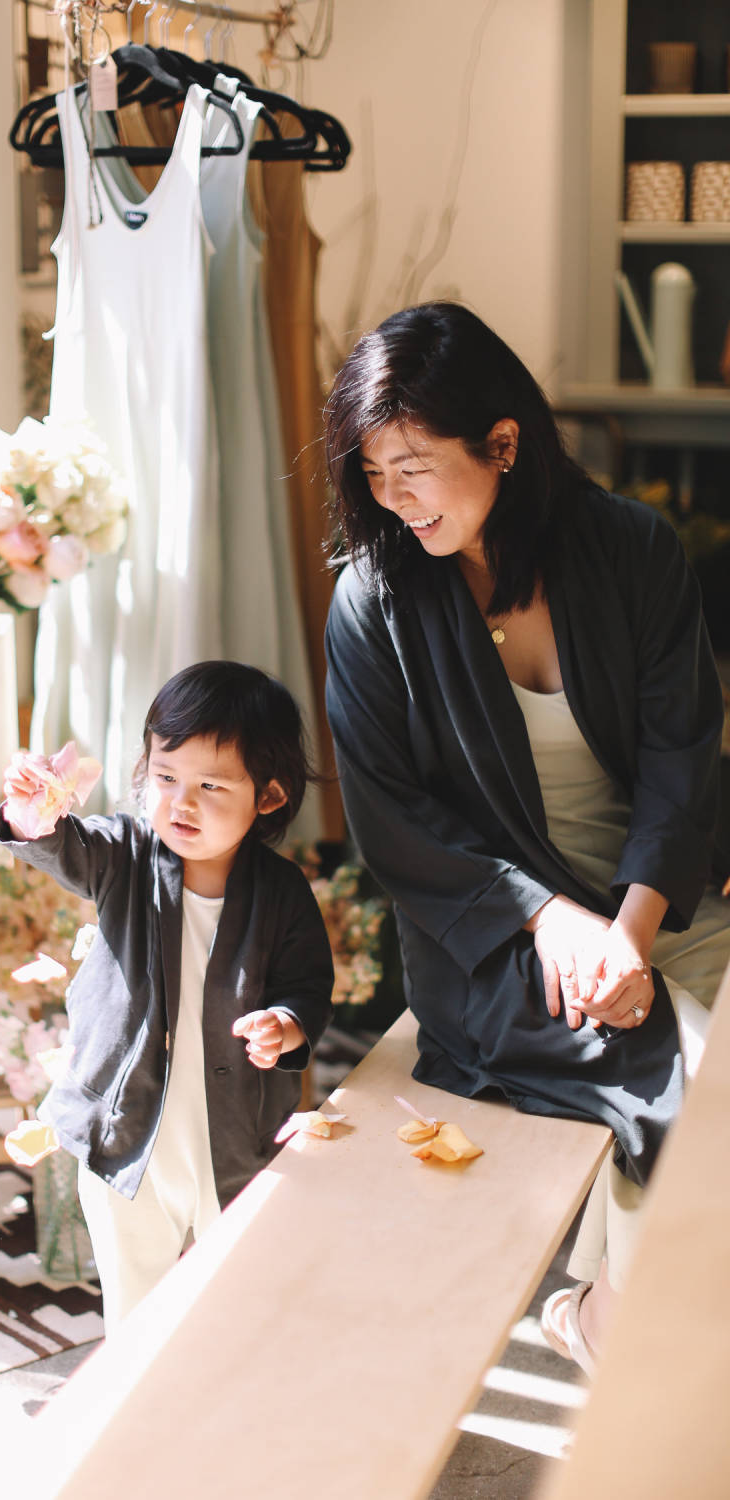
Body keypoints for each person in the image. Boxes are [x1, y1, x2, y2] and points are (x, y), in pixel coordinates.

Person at [322, 301, 729, 1374]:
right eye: (373, 473)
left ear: (501, 445)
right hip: (497, 943)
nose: (391, 497)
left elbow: (684, 761)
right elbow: (393, 824)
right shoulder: (374, 602)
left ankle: (608, 1317)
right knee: (692, 1077)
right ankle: (639, 1355)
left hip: (662, 902)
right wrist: (553, 921)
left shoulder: (630, 551)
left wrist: (629, 931)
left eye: (412, 466)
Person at [0, 660, 334, 1331]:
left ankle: (227, 1393)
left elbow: (308, 985)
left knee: (238, 1292)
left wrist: (285, 1025)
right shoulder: (122, 854)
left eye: (211, 786)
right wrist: (30, 816)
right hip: (127, 1131)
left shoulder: (282, 891)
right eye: (166, 776)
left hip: (232, 1131)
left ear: (266, 797)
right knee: (135, 1299)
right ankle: (137, 1407)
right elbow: (65, 847)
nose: (181, 802)